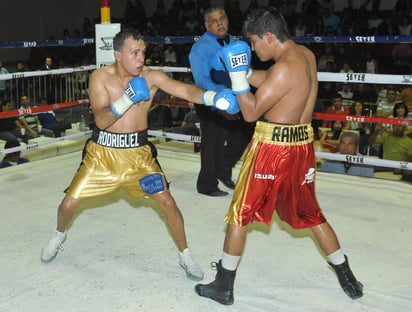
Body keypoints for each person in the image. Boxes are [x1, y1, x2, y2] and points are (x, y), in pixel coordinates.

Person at [194, 7, 363, 305]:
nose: (254, 50)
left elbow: (250, 112)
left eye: (255, 42)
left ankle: (223, 284)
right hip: (301, 147)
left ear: (269, 35)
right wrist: (245, 71)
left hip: (272, 147)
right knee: (312, 214)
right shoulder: (304, 56)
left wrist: (236, 77)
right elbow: (274, 80)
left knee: (239, 214)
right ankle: (347, 276)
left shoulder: (285, 68)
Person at [40, 29, 239, 281]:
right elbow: (101, 120)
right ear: (117, 54)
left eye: (143, 52)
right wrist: (126, 99)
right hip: (102, 156)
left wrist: (213, 97)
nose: (141, 58)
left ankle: (185, 254)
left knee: (168, 204)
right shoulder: (99, 77)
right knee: (68, 204)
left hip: (139, 159)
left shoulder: (151, 77)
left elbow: (185, 91)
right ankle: (59, 235)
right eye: (135, 52)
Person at [189, 6, 254, 197]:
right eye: (214, 20)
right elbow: (202, 81)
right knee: (213, 143)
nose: (219, 23)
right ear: (207, 25)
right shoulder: (200, 48)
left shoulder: (233, 41)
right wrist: (221, 106)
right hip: (211, 102)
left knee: (246, 132)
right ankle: (206, 184)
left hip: (235, 98)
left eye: (222, 18)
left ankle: (223, 170)